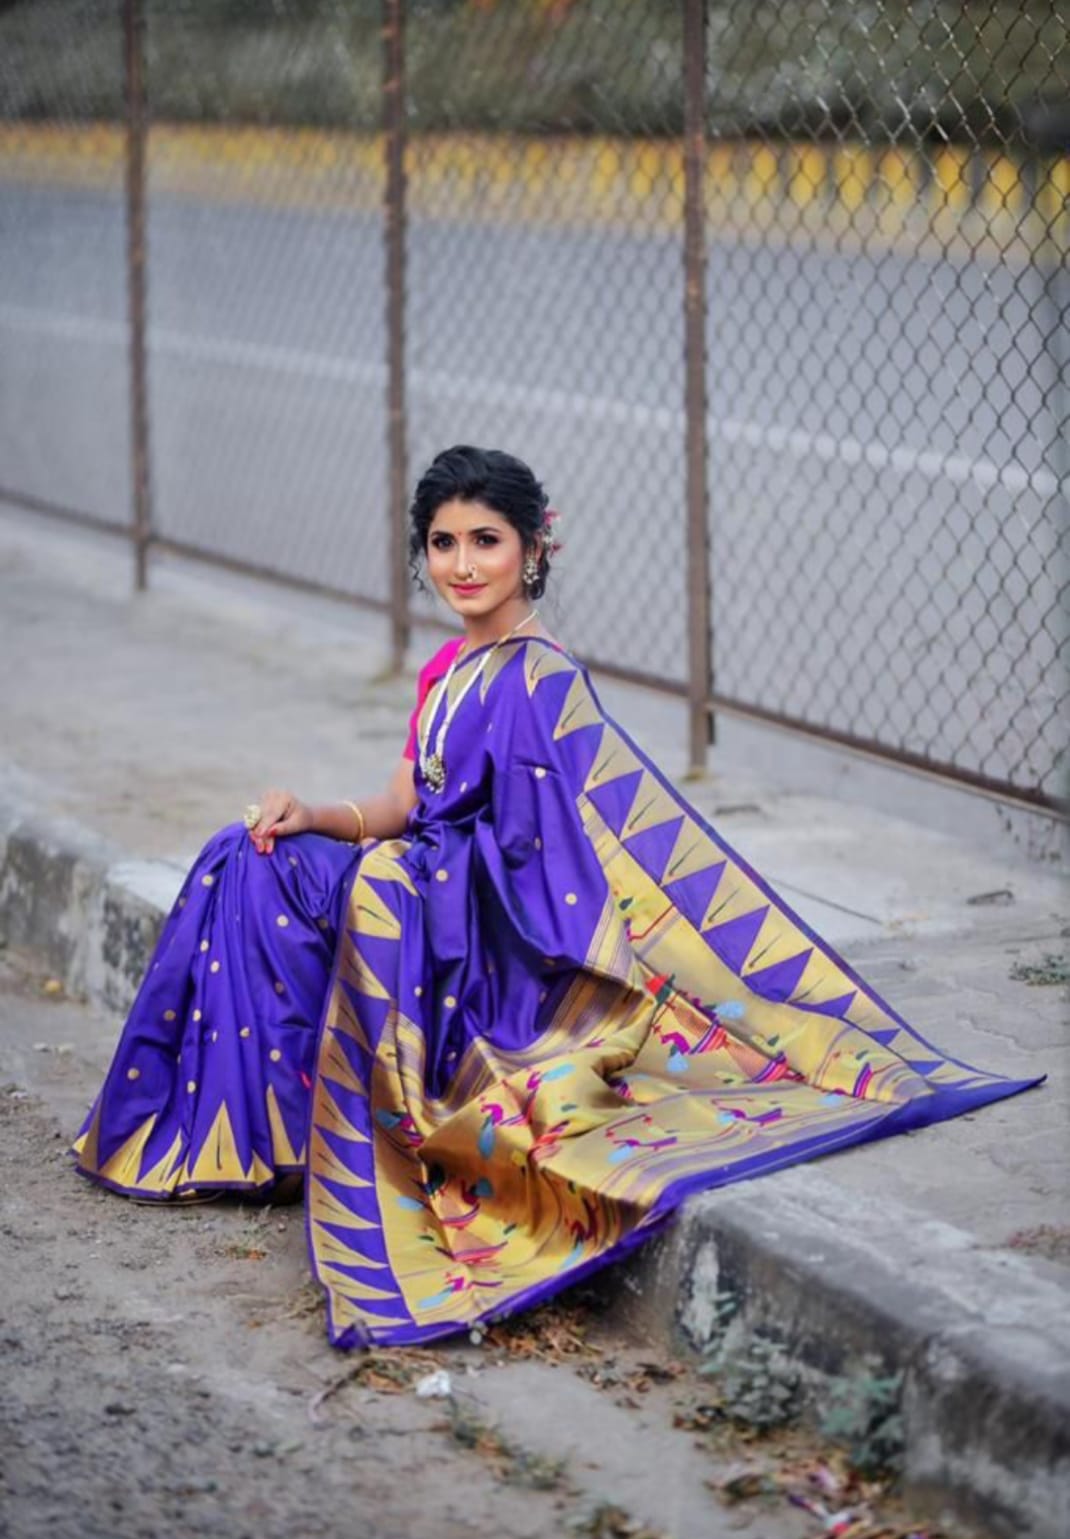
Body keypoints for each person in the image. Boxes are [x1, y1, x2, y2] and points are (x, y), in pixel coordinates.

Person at [74, 444, 1041, 1349]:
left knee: (378, 887)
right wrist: (309, 814)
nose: (462, 564)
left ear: (535, 547)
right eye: (443, 544)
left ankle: (366, 1134)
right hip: (426, 887)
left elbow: (545, 862)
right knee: (244, 859)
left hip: (489, 937)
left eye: (485, 541)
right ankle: (258, 1145)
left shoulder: (543, 678)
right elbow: (407, 801)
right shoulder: (450, 668)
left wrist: (413, 872)